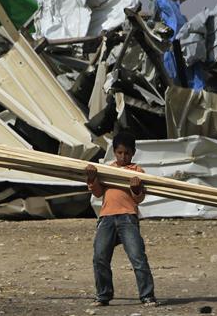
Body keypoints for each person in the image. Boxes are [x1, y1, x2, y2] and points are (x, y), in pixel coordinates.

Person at [86, 131, 157, 307]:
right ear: (114, 152)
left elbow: (139, 199)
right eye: (119, 152)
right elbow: (97, 193)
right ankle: (103, 295)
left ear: (133, 153)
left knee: (137, 257)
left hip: (127, 218)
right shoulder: (107, 169)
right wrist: (92, 178)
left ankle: (147, 296)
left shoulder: (137, 172)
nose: (123, 156)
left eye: (126, 153)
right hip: (106, 217)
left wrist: (136, 188)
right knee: (99, 257)